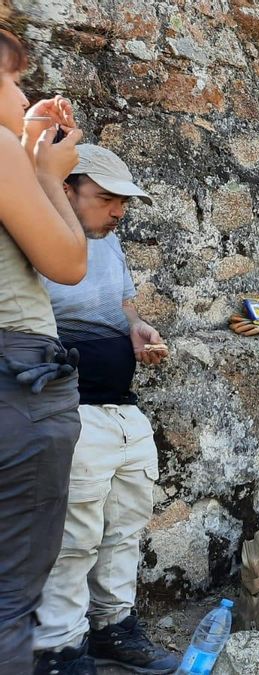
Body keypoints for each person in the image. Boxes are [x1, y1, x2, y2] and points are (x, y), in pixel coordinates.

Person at [32, 145, 178, 674]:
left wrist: (137, 328)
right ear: (64, 189)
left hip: (121, 405)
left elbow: (122, 303)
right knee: (72, 540)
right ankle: (59, 649)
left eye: (122, 201)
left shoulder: (108, 243)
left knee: (124, 529)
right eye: (105, 198)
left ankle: (113, 629)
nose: (118, 211)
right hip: (70, 408)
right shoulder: (35, 241)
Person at [0, 29, 91, 674]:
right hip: (16, 381)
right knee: (8, 598)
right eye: (10, 80)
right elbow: (67, 261)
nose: (20, 93)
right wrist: (46, 173)